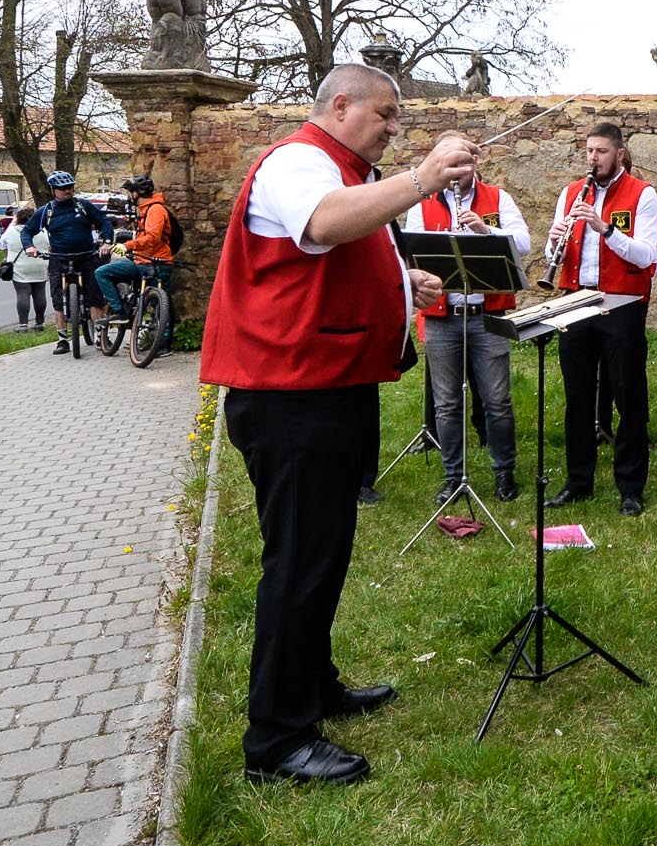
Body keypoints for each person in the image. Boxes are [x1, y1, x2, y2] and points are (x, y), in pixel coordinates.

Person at [200, 61, 470, 787]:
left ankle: (313, 687)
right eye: (386, 114)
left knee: (322, 555)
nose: (394, 129)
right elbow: (322, 223)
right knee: (299, 563)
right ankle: (277, 740)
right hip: (292, 396)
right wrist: (422, 177)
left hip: (326, 391)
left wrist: (402, 280)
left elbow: (332, 255)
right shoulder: (298, 160)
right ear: (341, 104)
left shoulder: (338, 168)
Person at [403, 132, 530, 505]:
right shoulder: (423, 204)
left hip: (486, 315)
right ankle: (452, 477)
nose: (456, 172)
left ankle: (504, 473)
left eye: (462, 163)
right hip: (443, 317)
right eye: (450, 164)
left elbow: (523, 243)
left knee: (497, 400)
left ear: (475, 163)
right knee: (446, 404)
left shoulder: (498, 198)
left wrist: (485, 231)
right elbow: (410, 251)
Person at [544, 123, 657, 516]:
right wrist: (554, 242)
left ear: (620, 154)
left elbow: (647, 255)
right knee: (577, 396)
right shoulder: (570, 192)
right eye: (589, 151)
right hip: (577, 301)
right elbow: (553, 252)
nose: (593, 158)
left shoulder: (642, 194)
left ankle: (630, 487)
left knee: (629, 396)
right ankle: (578, 482)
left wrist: (604, 228)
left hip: (622, 303)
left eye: (601, 151)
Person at [24, 172, 114, 355]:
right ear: (53, 190)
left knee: (95, 296)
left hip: (87, 256)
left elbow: (104, 222)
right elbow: (26, 231)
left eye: (70, 187)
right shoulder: (46, 211)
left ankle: (100, 335)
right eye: (63, 188)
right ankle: (62, 340)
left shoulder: (83, 206)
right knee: (58, 298)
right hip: (59, 258)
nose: (67, 191)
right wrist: (29, 247)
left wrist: (107, 242)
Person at [97, 175, 177, 321]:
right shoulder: (144, 210)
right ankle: (119, 310)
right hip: (141, 261)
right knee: (102, 272)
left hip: (156, 263)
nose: (129, 196)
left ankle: (161, 335)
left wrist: (127, 246)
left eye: (130, 192)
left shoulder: (155, 210)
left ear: (136, 193)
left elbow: (152, 238)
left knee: (161, 310)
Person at [9, 207, 49, 331]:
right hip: (40, 265)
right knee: (40, 294)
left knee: (22, 294)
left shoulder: (11, 231)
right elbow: (49, 245)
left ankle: (23, 324)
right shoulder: (42, 231)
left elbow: (1, 243)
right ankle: (40, 322)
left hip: (20, 267)